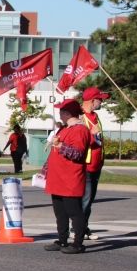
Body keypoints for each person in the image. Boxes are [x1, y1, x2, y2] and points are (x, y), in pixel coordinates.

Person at [43, 99, 91, 254]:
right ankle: (62, 240)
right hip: (58, 179)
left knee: (74, 212)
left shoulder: (80, 130)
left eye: (61, 111)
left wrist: (60, 146)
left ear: (68, 112)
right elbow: (54, 152)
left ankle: (78, 242)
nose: (59, 113)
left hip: (70, 179)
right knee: (60, 213)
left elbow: (77, 153)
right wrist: (45, 170)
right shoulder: (63, 129)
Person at [80, 87, 110, 241]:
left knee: (90, 199)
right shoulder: (80, 117)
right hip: (86, 165)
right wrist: (92, 135)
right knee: (85, 199)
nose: (102, 102)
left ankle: (83, 227)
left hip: (97, 164)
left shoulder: (95, 117)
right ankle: (77, 228)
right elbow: (80, 140)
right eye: (100, 99)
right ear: (92, 101)